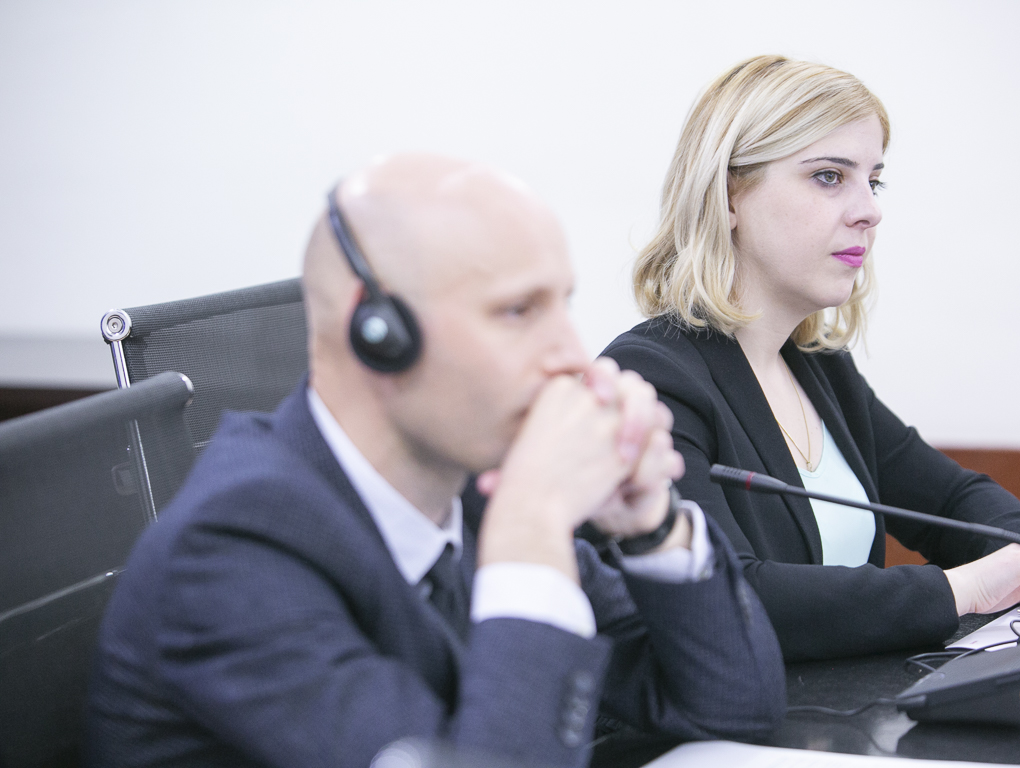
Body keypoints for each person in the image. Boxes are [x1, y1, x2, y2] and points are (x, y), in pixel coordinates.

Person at [85, 154, 786, 768]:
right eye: (517, 311)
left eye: (563, 306)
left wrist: (650, 527)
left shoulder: (467, 489)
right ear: (377, 332)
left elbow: (733, 709)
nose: (574, 356)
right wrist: (532, 531)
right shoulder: (229, 556)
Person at [602, 55, 1020, 662]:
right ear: (728, 196)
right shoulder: (650, 378)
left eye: (873, 181)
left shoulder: (818, 366)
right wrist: (968, 587)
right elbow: (730, 595)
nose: (869, 210)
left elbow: (952, 501)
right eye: (829, 176)